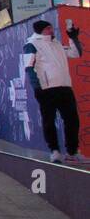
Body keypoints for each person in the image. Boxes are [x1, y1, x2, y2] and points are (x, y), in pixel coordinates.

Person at [22, 20, 87, 164]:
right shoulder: (31, 45)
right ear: (41, 30)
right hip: (46, 89)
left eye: (51, 28)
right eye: (48, 28)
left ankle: (72, 152)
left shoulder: (56, 44)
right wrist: (37, 87)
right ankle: (55, 151)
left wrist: (72, 37)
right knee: (49, 121)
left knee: (72, 120)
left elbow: (76, 53)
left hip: (64, 87)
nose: (51, 30)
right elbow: (29, 67)